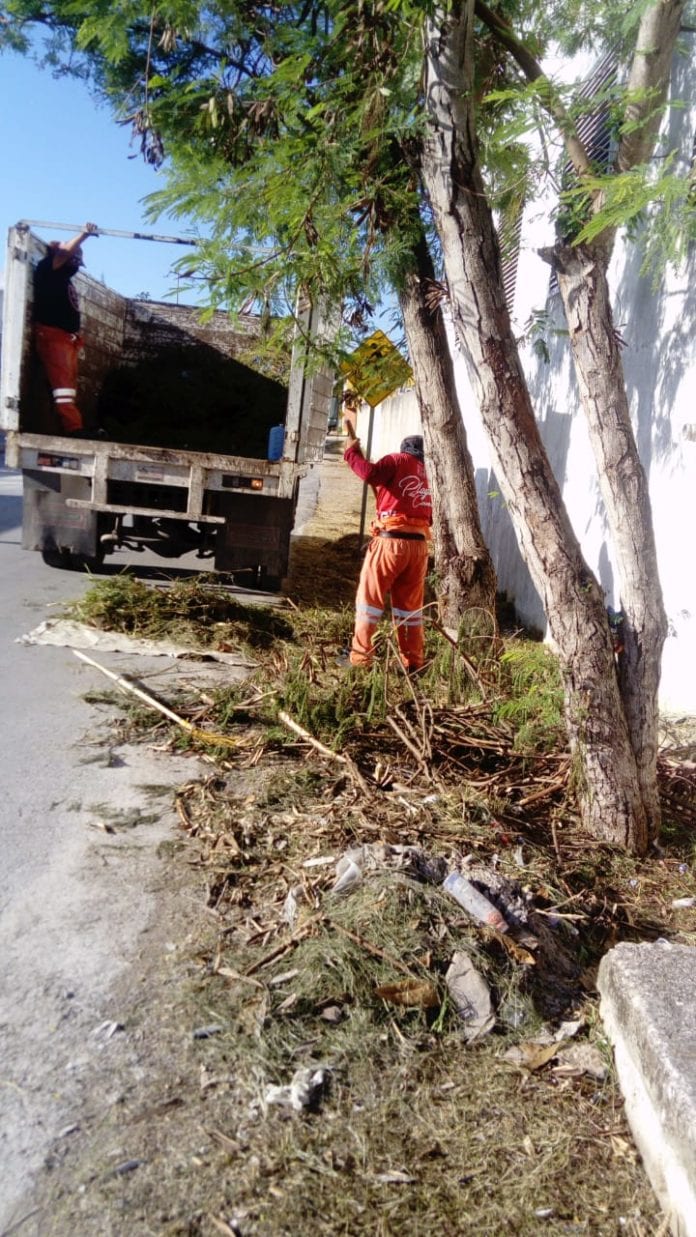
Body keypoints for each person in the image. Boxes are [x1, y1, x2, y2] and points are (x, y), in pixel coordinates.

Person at [343, 411, 432, 672]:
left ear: (406, 450)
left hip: (391, 543)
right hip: (419, 548)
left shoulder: (397, 460)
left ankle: (360, 659)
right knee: (409, 610)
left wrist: (351, 453)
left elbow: (369, 473)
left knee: (369, 602)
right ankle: (413, 662)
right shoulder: (430, 474)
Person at [33, 222, 99, 436]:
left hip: (66, 338)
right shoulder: (48, 268)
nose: (77, 265)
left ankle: (73, 426)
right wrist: (84, 235)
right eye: (75, 259)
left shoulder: (63, 278)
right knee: (63, 388)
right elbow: (64, 253)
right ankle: (73, 428)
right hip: (53, 335)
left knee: (67, 388)